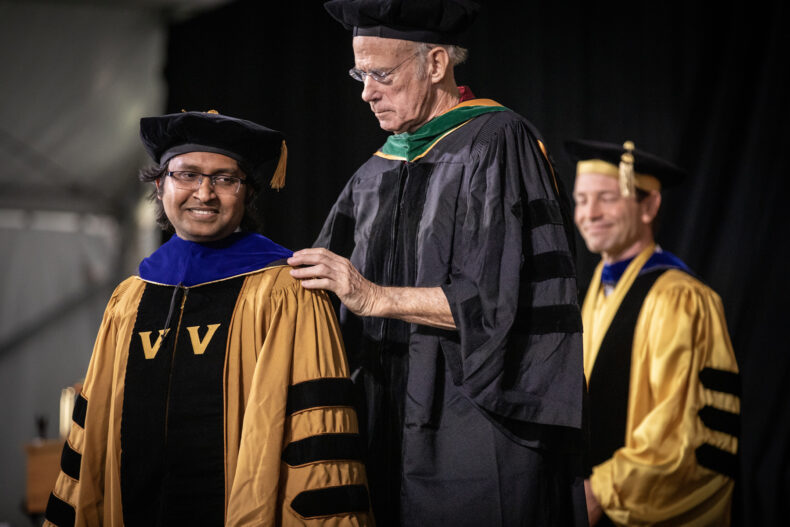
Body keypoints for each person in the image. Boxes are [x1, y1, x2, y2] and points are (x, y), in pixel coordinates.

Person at [287, 1, 588, 525]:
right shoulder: (373, 174)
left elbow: (499, 301)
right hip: (382, 423)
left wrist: (374, 296)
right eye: (359, 73)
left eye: (381, 73)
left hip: (474, 431)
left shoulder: (499, 141)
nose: (366, 91)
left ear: (435, 64)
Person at [44, 110, 372, 526]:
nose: (204, 193)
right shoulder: (131, 298)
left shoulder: (287, 293)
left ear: (247, 193)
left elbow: (319, 436)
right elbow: (91, 440)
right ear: (160, 184)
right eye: (187, 175)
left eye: (224, 179)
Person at [567, 138, 740, 526]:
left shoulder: (682, 299)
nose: (589, 213)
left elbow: (683, 435)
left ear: (649, 205)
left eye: (607, 198)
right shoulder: (592, 292)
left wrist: (599, 492)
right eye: (581, 200)